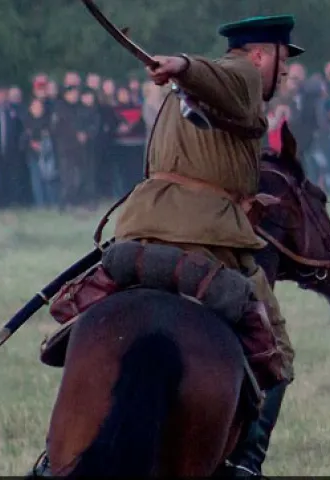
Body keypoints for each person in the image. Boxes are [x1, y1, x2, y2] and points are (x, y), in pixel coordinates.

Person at [31, 15, 305, 478]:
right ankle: (246, 465)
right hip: (206, 242)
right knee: (277, 351)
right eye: (283, 61)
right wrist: (181, 64)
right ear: (261, 54)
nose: (286, 73)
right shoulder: (240, 77)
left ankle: (50, 459)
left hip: (140, 231)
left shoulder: (184, 102)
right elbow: (219, 77)